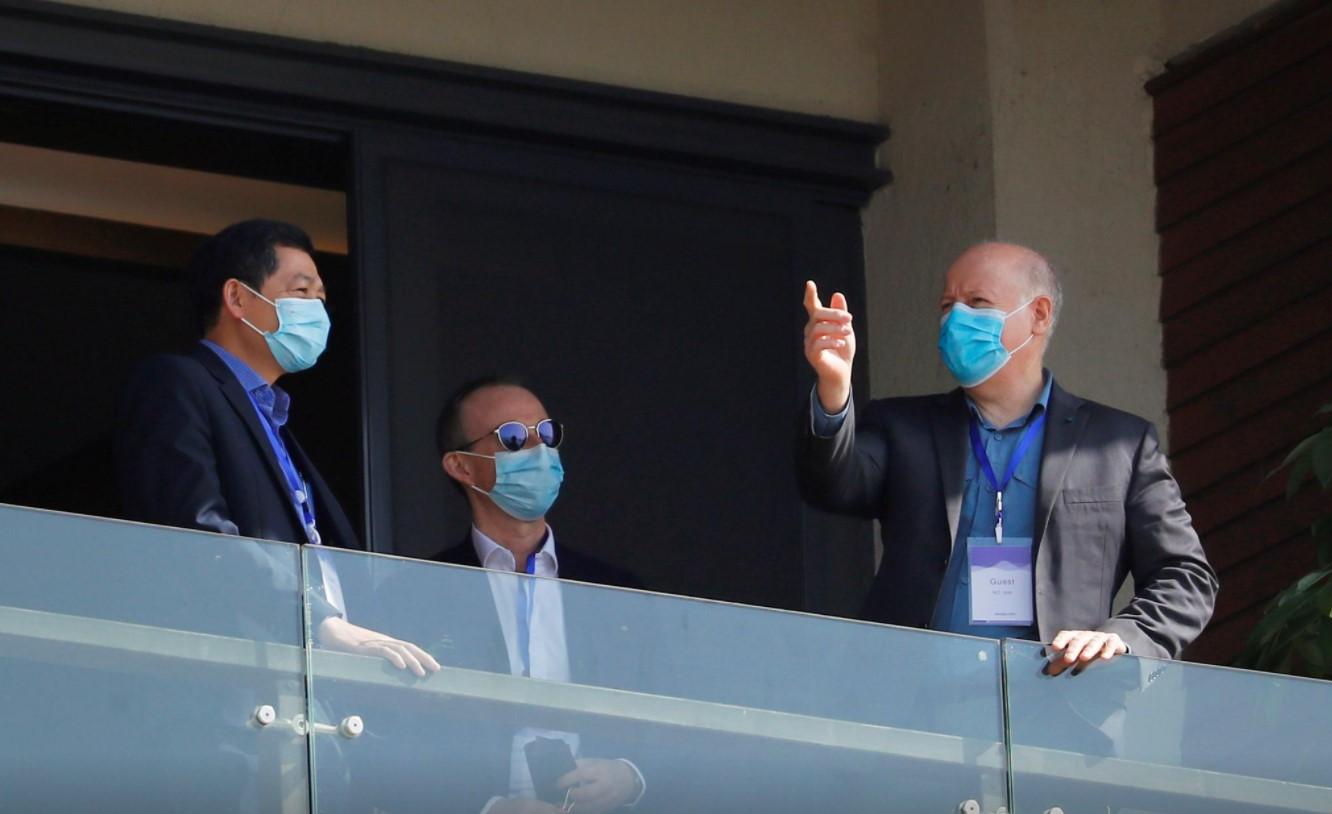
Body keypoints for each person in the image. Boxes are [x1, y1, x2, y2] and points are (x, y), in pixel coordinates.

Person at [796, 242, 1218, 675]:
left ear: (1038, 315)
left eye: (977, 302)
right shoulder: (904, 427)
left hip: (1060, 700)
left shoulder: (1118, 444)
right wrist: (833, 387)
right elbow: (830, 485)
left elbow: (1185, 576)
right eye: (947, 305)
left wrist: (1122, 637)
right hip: (912, 703)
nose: (956, 319)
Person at [115, 218, 438, 675]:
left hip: (308, 694)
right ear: (238, 298)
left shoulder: (273, 420)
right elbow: (194, 533)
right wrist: (318, 622)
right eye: (301, 291)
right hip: (232, 690)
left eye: (321, 297)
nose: (317, 309)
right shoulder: (178, 383)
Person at [371, 376, 649, 814]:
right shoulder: (414, 592)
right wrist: (489, 808)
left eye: (548, 434)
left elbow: (677, 721)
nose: (539, 451)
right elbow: (386, 737)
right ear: (460, 466)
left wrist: (632, 777)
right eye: (514, 438)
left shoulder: (618, 592)